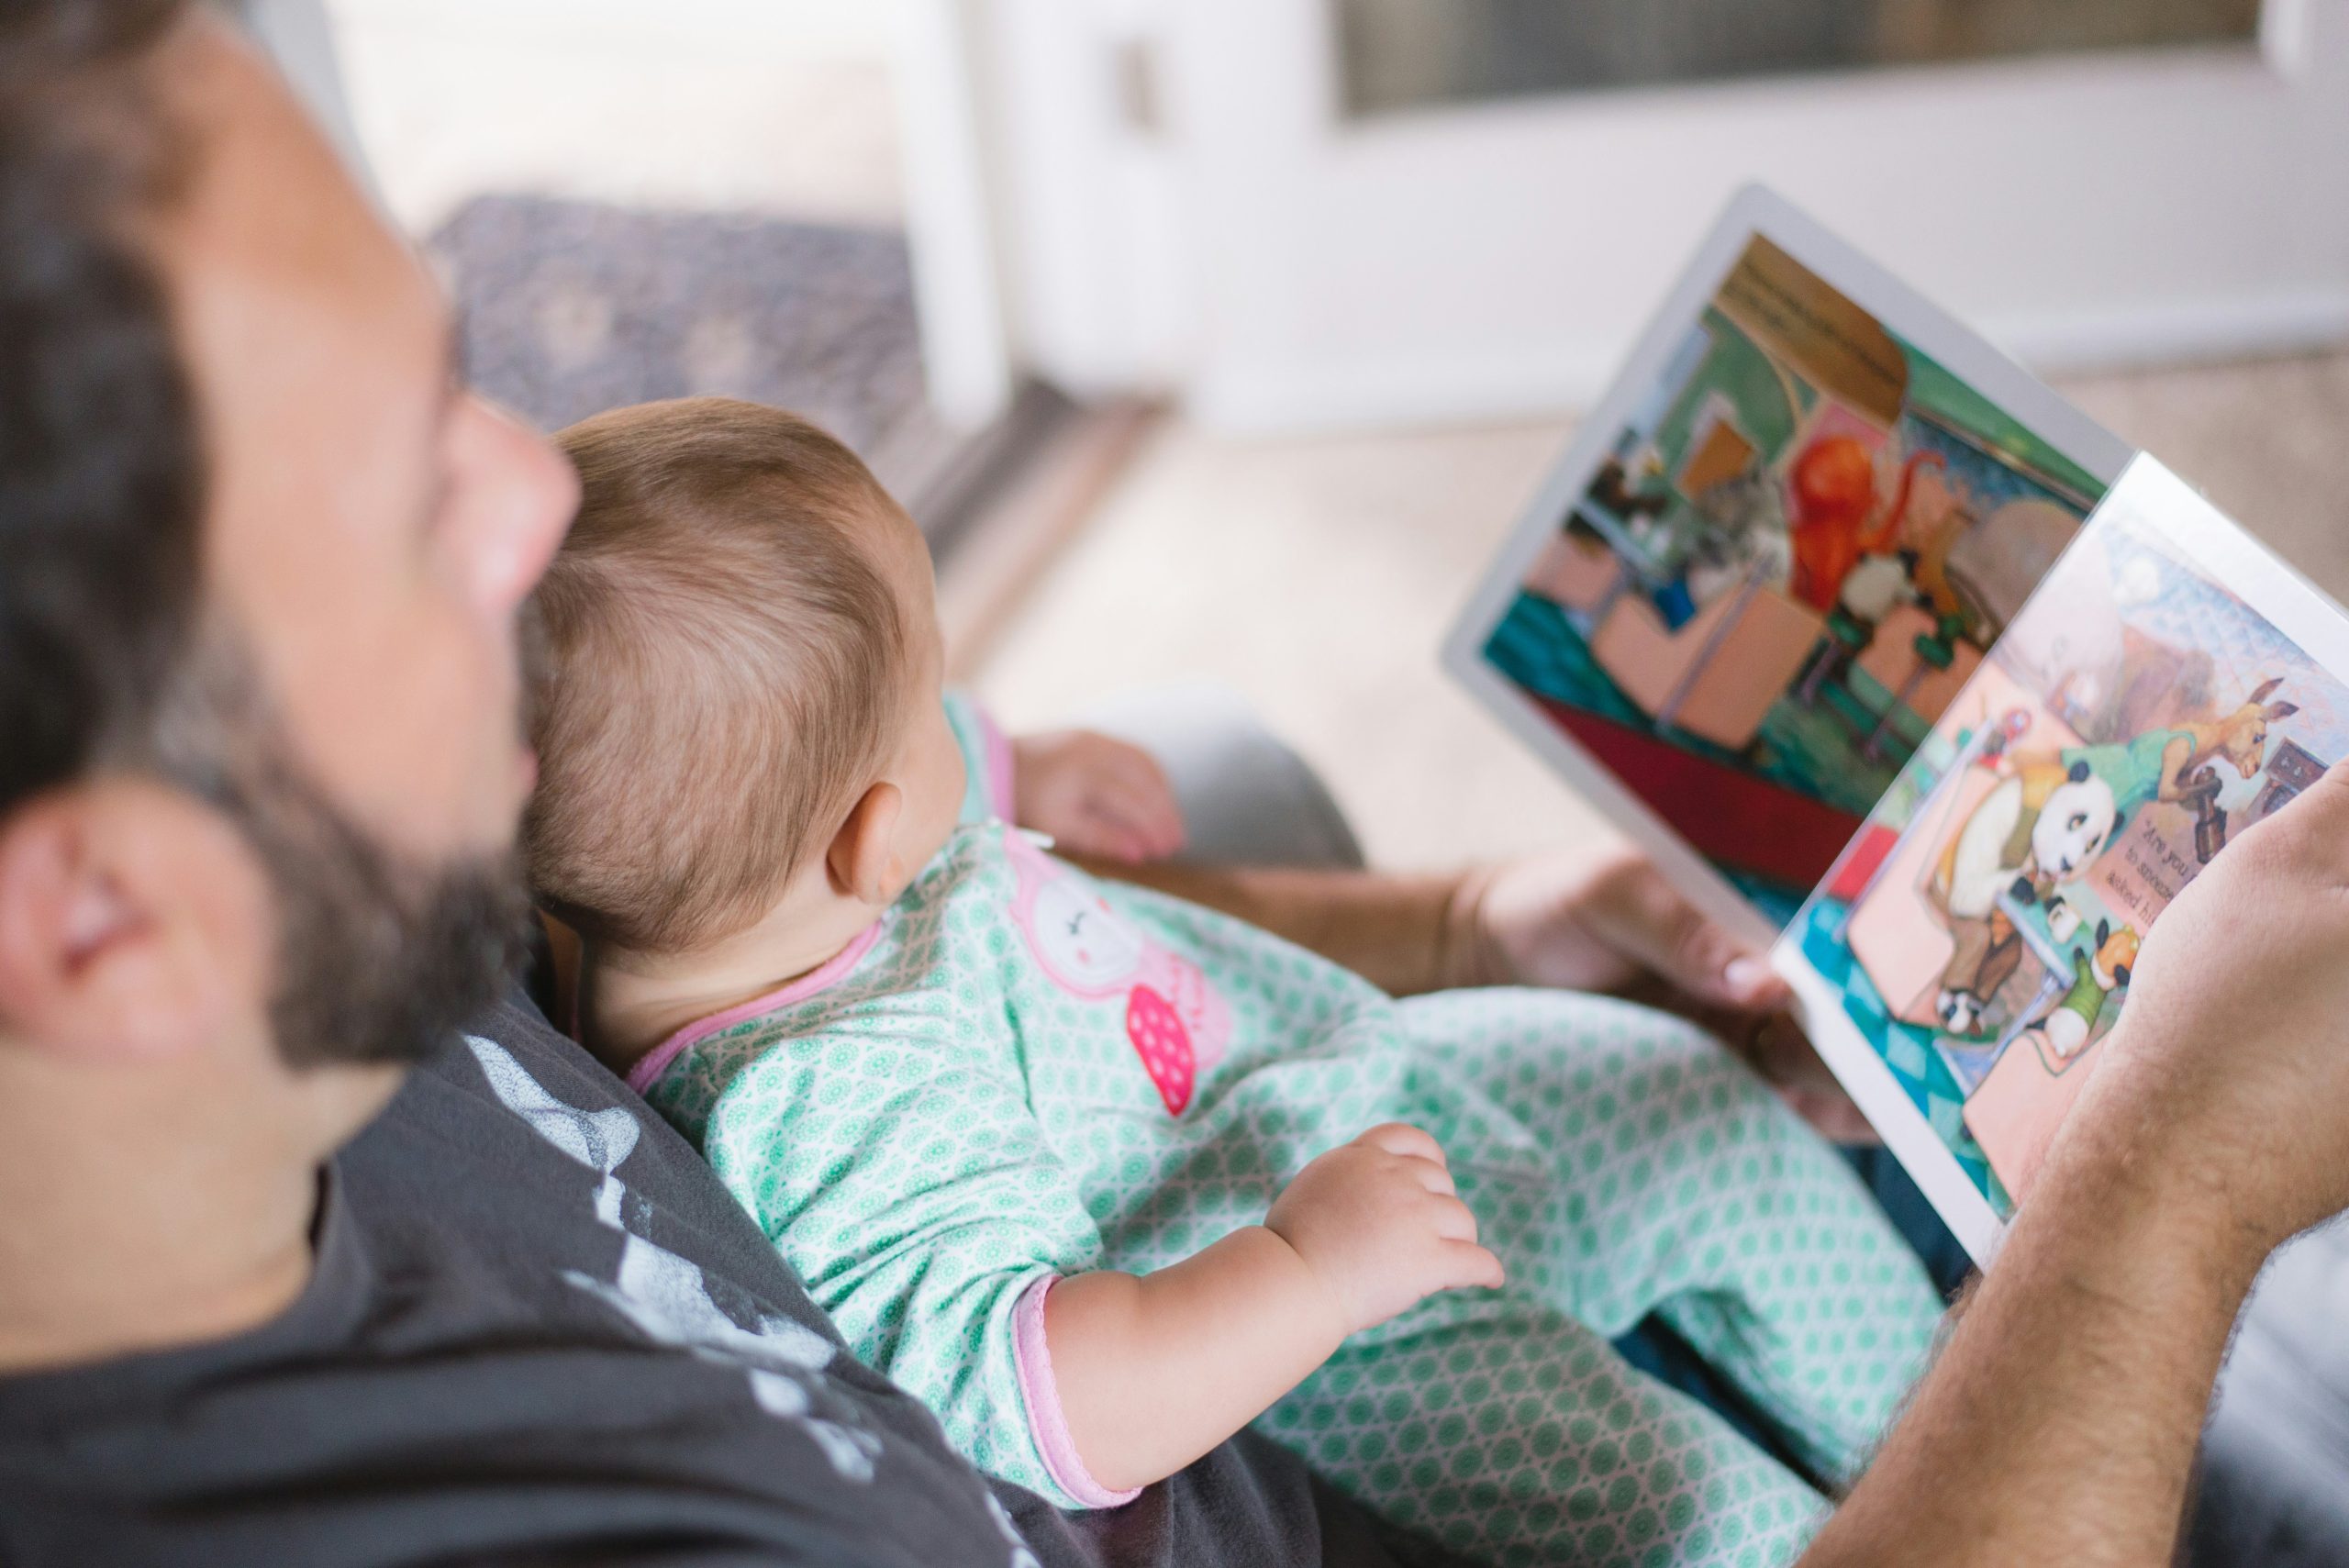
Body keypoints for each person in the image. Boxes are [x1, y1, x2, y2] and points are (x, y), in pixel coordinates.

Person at [0, 6, 2342, 1566]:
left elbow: (953, 921)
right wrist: (2167, 1182)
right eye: (408, 496)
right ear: (101, 923)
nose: (533, 497)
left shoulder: (395, 861)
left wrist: (1449, 922)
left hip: (1378, 1132)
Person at [521, 395, 1941, 1567]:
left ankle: (1941, 1423)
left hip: (1347, 1073)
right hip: (1354, 1329)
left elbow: (869, 748)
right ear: (874, 835)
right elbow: (1045, 1394)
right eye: (935, 695)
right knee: (1698, 1521)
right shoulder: (831, 1103)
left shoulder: (753, 872)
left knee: (1688, 1094)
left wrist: (1016, 760)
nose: (958, 713)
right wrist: (1309, 1270)